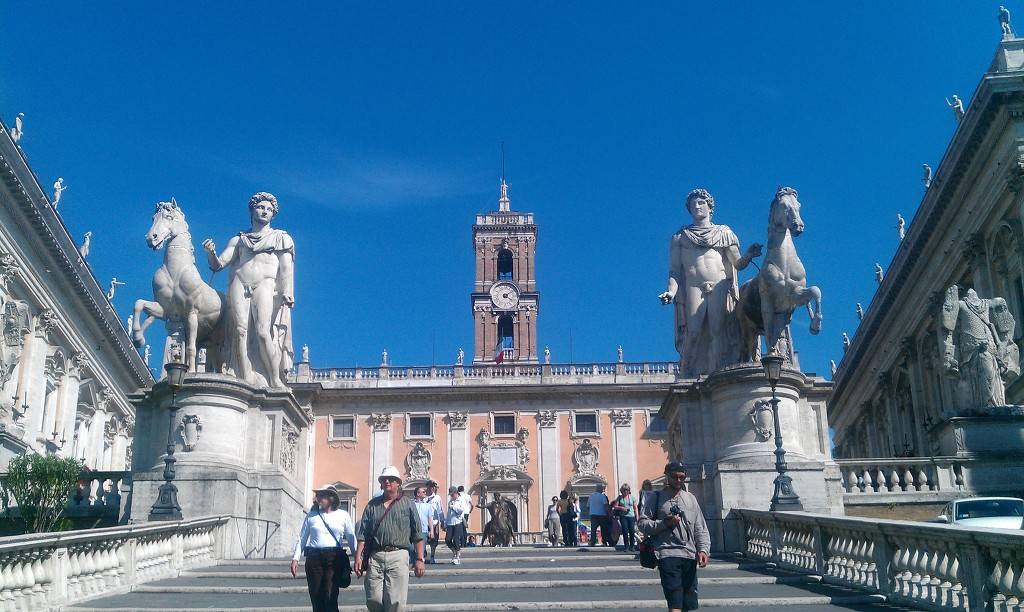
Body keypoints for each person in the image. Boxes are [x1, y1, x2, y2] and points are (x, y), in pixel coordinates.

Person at [658, 188, 762, 377]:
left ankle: (716, 374)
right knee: (694, 332)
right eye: (693, 204)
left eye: (701, 203)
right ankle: (686, 373)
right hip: (693, 286)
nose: (696, 207)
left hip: (719, 284)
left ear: (709, 207)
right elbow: (675, 272)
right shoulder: (680, 237)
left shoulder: (724, 232)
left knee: (718, 331)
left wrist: (748, 254)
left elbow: (737, 263)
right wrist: (671, 292)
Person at [202, 192, 295, 388]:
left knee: (263, 332)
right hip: (239, 282)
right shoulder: (239, 240)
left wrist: (287, 291)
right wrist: (211, 253)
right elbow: (219, 264)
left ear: (273, 214)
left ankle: (274, 378)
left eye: (269, 209)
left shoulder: (281, 238)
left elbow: (286, 268)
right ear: (252, 210)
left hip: (265, 284)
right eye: (261, 207)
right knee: (239, 331)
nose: (265, 211)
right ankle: (244, 377)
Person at [638, 462, 711, 612]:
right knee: (675, 603)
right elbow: (642, 524)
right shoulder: (656, 498)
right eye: (675, 477)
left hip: (689, 555)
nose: (678, 480)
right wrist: (665, 523)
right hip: (667, 553)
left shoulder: (691, 499)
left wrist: (703, 550)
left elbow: (700, 527)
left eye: (682, 477)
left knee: (688, 604)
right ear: (667, 476)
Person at [354, 466, 425, 612]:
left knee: (395, 601)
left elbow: (418, 534)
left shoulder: (408, 504)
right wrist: (358, 557)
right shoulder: (372, 505)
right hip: (376, 555)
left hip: (398, 555)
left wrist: (419, 559)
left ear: (398, 483)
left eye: (391, 479)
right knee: (373, 598)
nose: (387, 481)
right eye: (384, 479)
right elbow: (363, 534)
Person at [291, 484, 357, 612]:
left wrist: (357, 558)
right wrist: (295, 558)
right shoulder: (312, 516)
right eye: (318, 495)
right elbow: (302, 538)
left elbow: (351, 537)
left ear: (332, 498)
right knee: (316, 596)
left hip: (334, 557)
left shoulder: (343, 515)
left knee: (330, 595)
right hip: (314, 558)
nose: (319, 497)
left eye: (322, 495)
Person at [412, 487, 440, 564]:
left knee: (422, 548)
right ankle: (415, 563)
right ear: (418, 494)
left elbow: (430, 519)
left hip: (423, 530)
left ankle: (419, 563)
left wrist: (431, 531)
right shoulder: (411, 504)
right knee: (412, 548)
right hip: (413, 530)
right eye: (423, 492)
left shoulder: (428, 506)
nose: (425, 493)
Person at [443, 486, 467, 564]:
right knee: (447, 540)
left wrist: (453, 507)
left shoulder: (461, 500)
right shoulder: (450, 501)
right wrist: (445, 524)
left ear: (456, 493)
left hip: (458, 522)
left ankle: (457, 556)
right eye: (450, 495)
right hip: (450, 523)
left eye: (452, 494)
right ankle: (454, 551)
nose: (451, 496)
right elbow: (448, 514)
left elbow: (461, 511)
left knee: (456, 539)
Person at [422, 480, 444, 563]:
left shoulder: (437, 498)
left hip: (434, 522)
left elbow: (440, 510)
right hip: (424, 522)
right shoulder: (424, 497)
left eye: (433, 487)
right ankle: (423, 553)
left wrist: (442, 521)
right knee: (423, 539)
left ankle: (432, 556)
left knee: (434, 541)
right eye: (430, 486)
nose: (431, 488)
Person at [612, 484, 639, 552]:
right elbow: (615, 506)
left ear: (629, 490)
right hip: (623, 516)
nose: (625, 491)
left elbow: (635, 508)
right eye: (624, 490)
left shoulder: (632, 498)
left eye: (627, 490)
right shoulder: (619, 498)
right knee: (625, 531)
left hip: (631, 516)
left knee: (632, 531)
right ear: (622, 490)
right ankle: (626, 546)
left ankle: (632, 546)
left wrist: (637, 517)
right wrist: (621, 508)